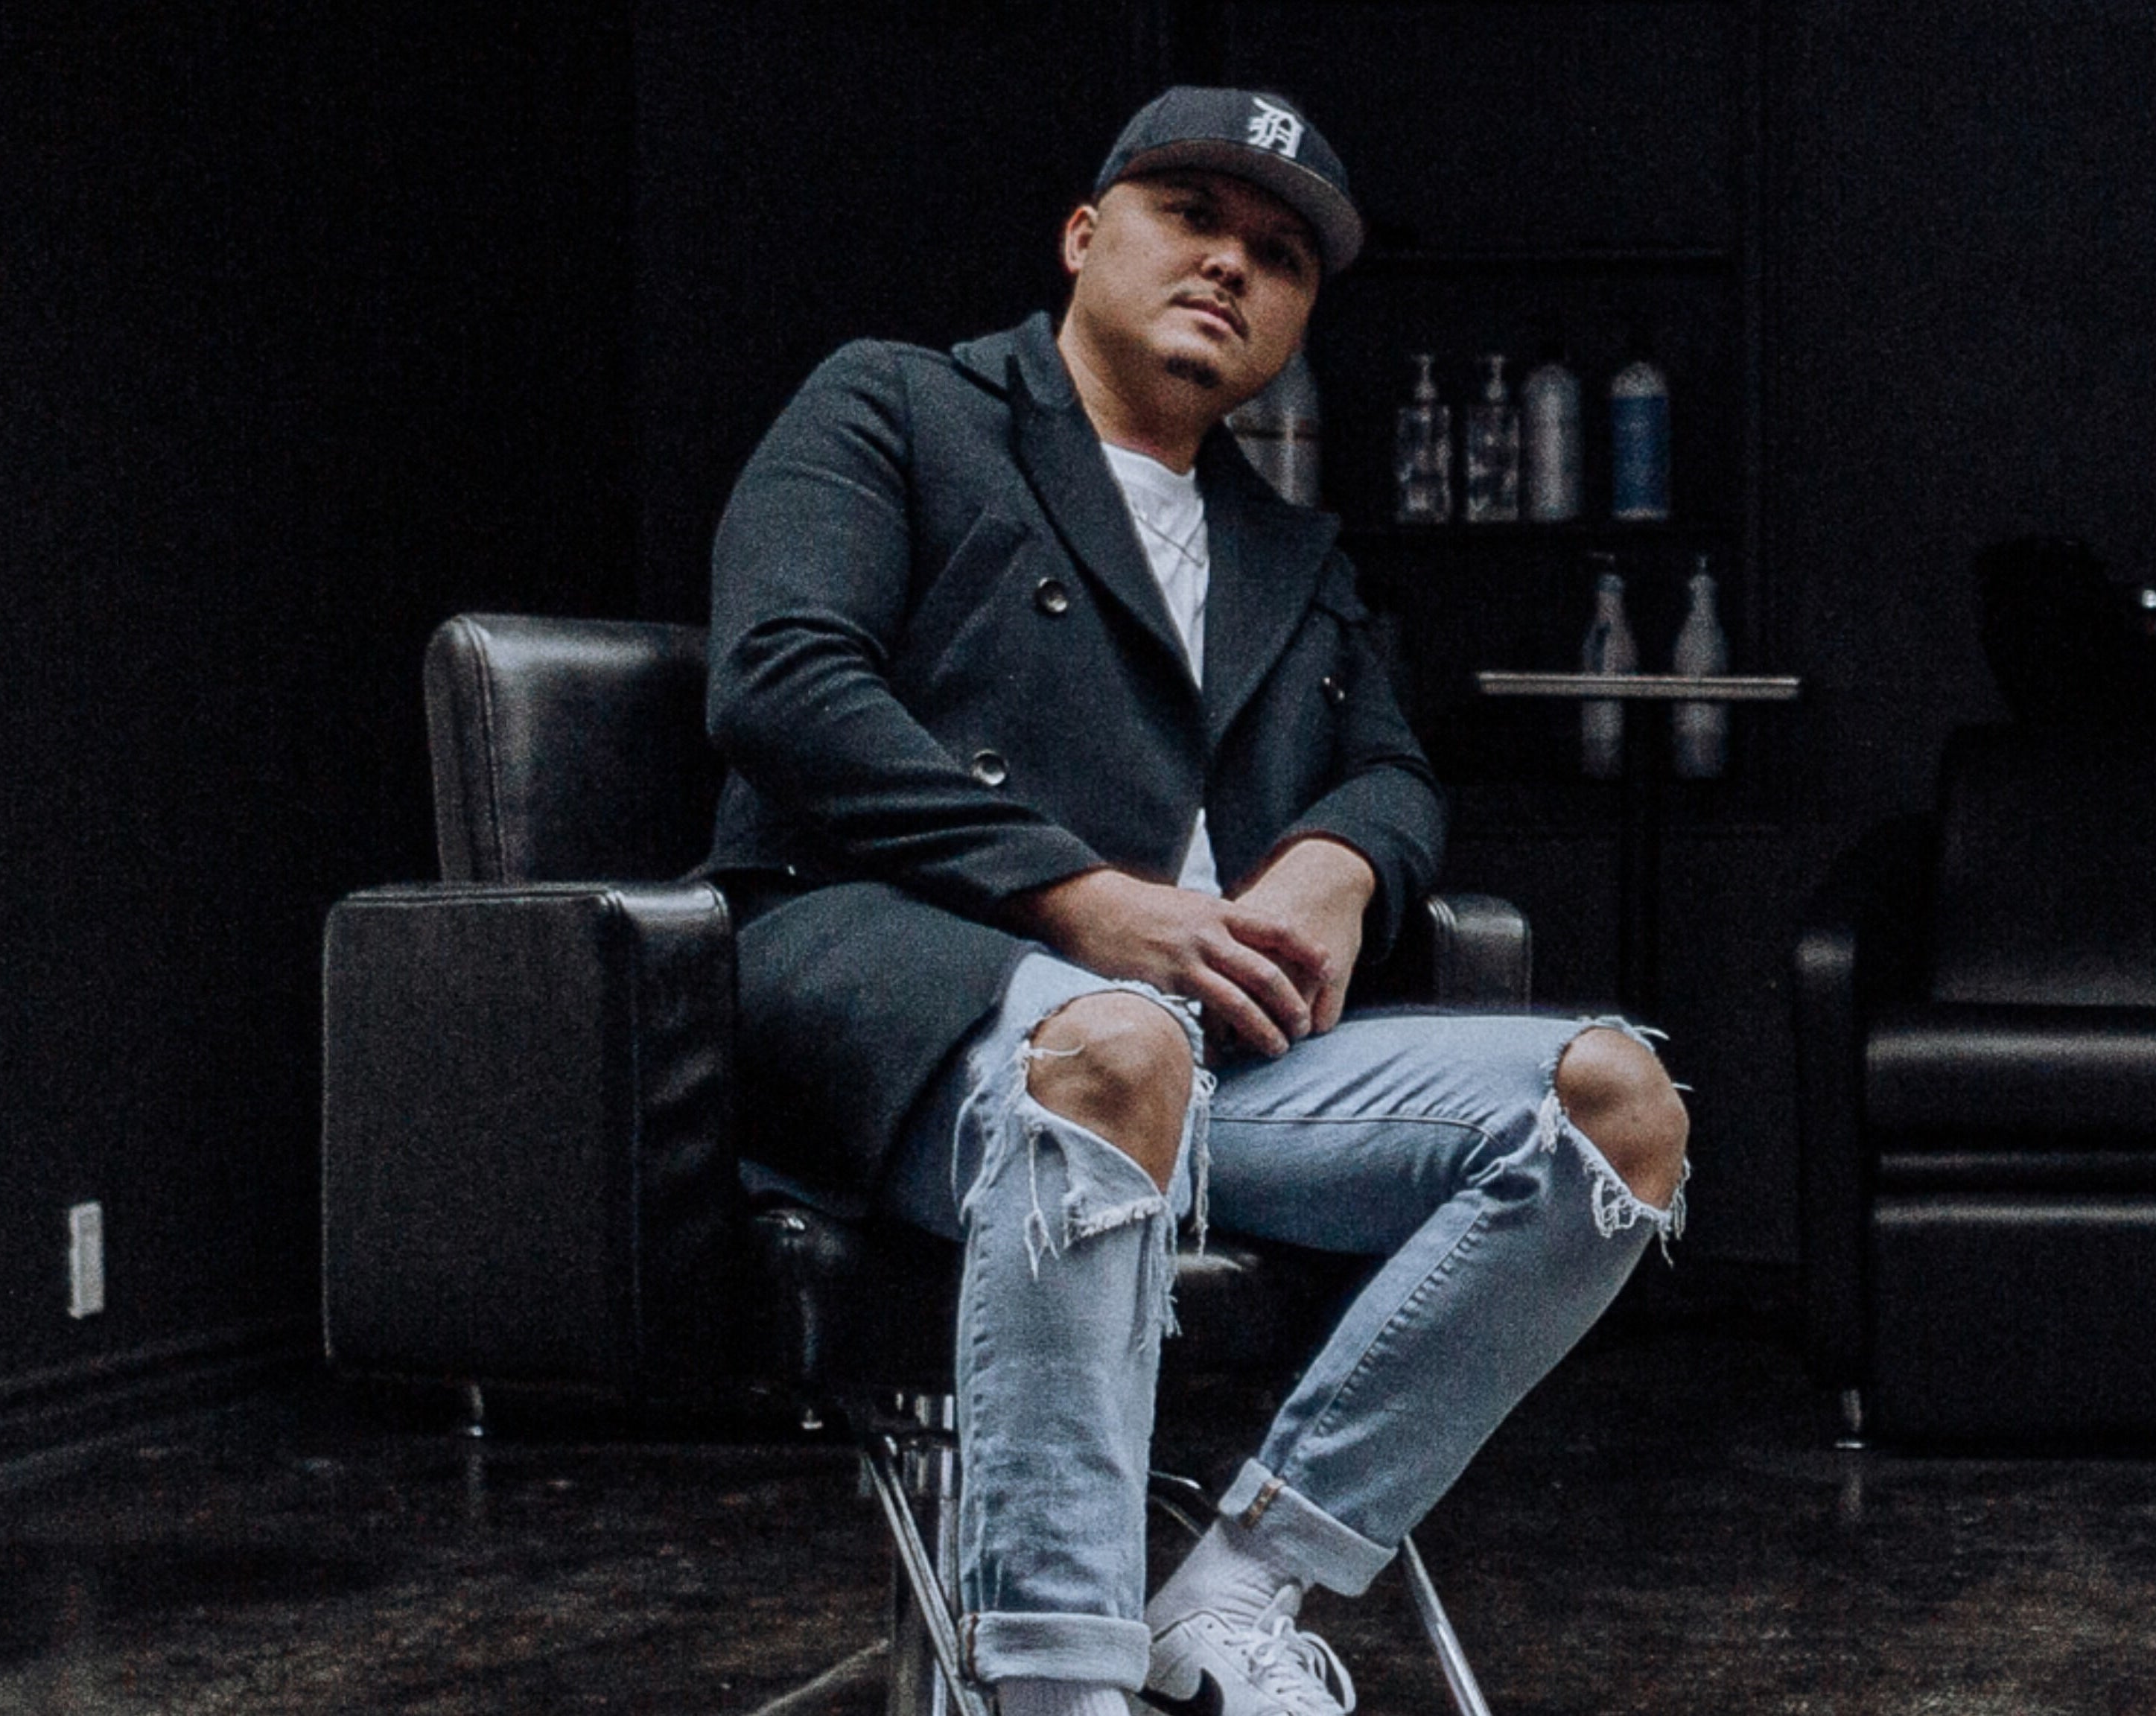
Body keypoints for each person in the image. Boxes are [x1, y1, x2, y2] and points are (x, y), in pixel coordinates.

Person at [705, 86, 1691, 1716]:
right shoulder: (898, 408)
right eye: (1195, 219)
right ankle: (1056, 1680)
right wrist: (1077, 897)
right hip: (896, 987)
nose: (1234, 266)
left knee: (1615, 1110)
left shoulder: (1289, 546)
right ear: (1086, 237)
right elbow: (782, 683)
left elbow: (1395, 765)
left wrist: (1348, 858)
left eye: (1281, 254)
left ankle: (1242, 1584)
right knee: (1117, 1051)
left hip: (1214, 1060)